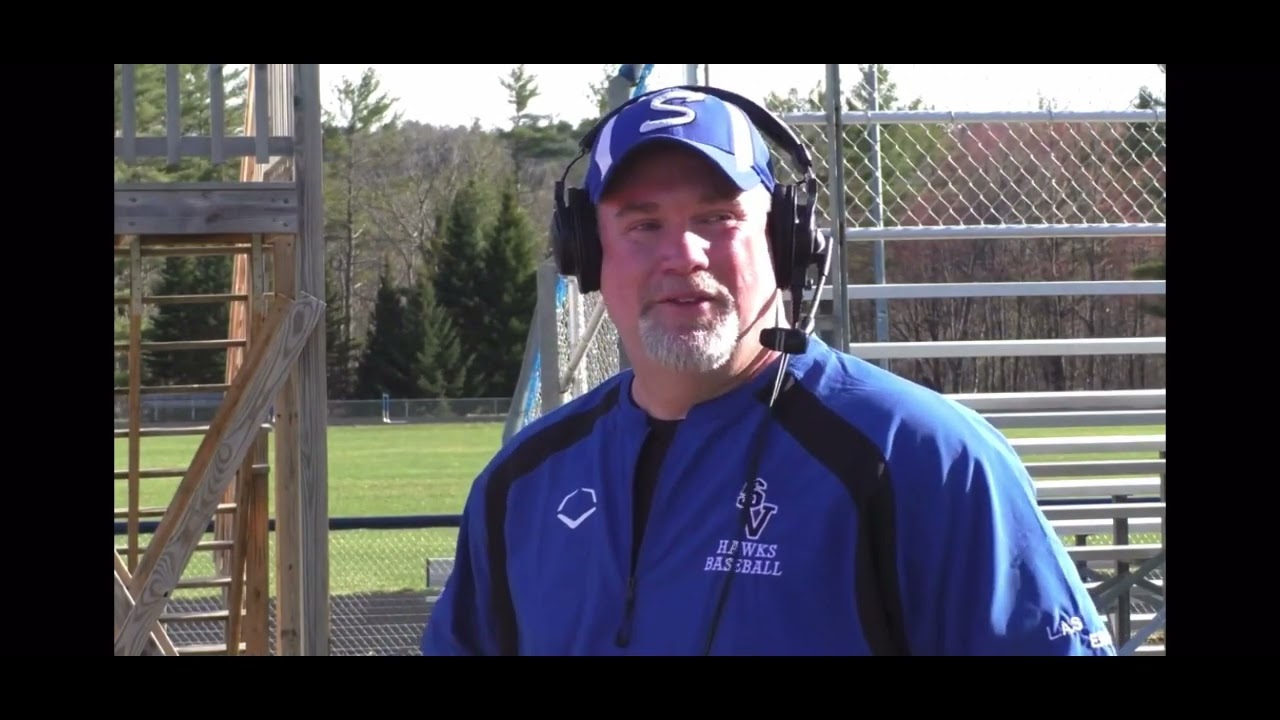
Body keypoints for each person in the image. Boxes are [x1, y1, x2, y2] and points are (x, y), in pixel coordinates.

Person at [421, 85, 1115, 656]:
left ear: (786, 243)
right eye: (643, 225)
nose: (683, 254)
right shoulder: (520, 487)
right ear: (587, 253)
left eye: (718, 218)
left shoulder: (924, 459)